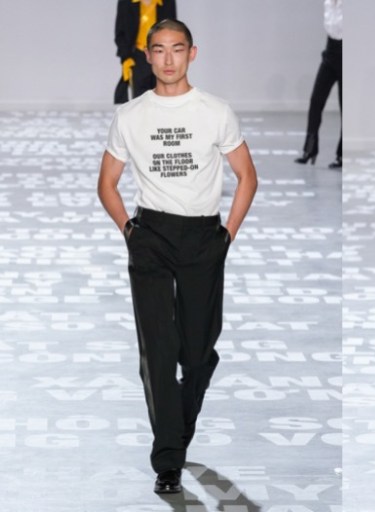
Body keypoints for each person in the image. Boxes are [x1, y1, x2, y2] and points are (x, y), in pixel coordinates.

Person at [97, 19, 258, 495]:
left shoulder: (215, 111)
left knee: (197, 352)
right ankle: (168, 458)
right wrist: (130, 231)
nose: (168, 59)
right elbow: (107, 183)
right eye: (160, 50)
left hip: (203, 237)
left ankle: (177, 429)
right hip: (151, 235)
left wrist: (226, 236)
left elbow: (247, 176)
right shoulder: (130, 115)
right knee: (158, 352)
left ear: (192, 53)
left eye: (177, 49)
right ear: (147, 56)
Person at [296, 0, 344, 169]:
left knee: (345, 108)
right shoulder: (329, 3)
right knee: (316, 101)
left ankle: (342, 155)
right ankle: (310, 149)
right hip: (330, 53)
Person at [114, 0, 177, 104]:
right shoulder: (126, 2)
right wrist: (126, 57)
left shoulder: (167, 2)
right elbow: (120, 33)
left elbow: (174, 30)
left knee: (163, 98)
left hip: (161, 56)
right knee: (140, 100)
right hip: (138, 56)